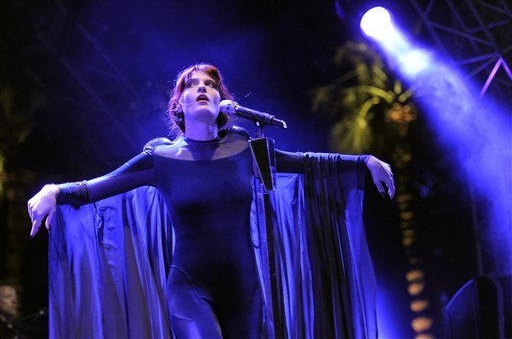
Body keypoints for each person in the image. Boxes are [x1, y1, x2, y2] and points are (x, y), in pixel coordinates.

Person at [27, 63, 395, 338]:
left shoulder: (244, 149)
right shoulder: (161, 158)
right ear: (180, 104)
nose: (203, 88)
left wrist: (364, 161)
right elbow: (96, 187)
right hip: (190, 289)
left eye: (211, 85)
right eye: (193, 84)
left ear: (223, 102)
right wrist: (53, 190)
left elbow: (304, 164)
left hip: (246, 292)